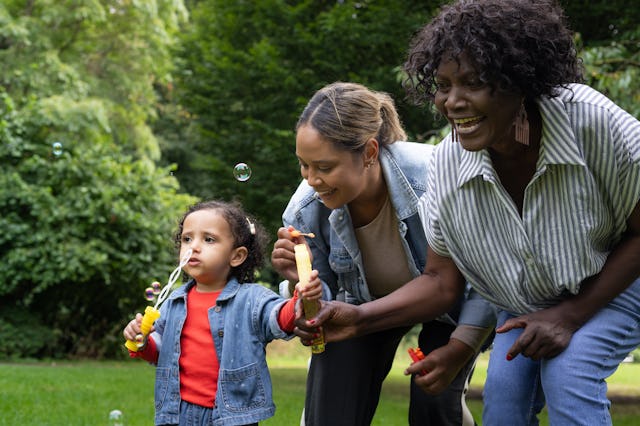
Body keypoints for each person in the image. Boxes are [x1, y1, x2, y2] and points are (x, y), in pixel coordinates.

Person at [293, 1, 640, 425]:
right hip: (529, 300)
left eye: (473, 83)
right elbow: (442, 281)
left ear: (520, 79)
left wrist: (569, 316)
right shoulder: (450, 165)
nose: (453, 102)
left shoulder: (591, 123)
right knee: (504, 406)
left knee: (569, 373)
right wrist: (359, 316)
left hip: (617, 279)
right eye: (442, 85)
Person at [271, 82, 496, 426]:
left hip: (455, 306)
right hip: (362, 305)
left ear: (370, 152)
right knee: (331, 408)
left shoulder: (437, 179)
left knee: (432, 403)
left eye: (324, 167)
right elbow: (326, 303)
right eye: (304, 165)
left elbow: (488, 276)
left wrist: (463, 344)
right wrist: (301, 283)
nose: (312, 180)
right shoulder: (304, 212)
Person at [123, 200, 323, 426]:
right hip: (177, 413)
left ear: (236, 256)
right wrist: (142, 342)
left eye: (208, 239)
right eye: (187, 239)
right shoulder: (174, 302)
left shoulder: (251, 299)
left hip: (232, 416)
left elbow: (280, 318)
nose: (193, 247)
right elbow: (160, 352)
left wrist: (301, 297)